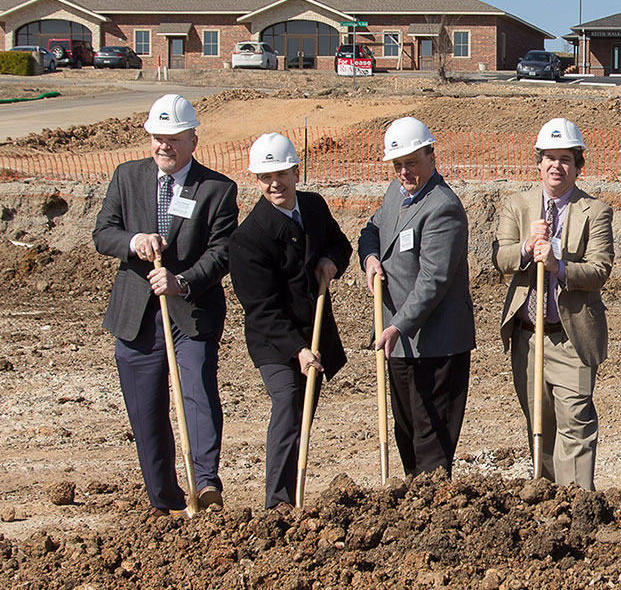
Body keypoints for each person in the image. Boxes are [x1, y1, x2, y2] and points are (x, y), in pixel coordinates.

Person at [92, 93, 238, 515]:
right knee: (146, 413)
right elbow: (104, 231)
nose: (164, 146)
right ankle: (165, 498)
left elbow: (221, 252)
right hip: (137, 315)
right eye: (157, 138)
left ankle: (205, 483)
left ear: (193, 139)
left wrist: (182, 282)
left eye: (173, 138)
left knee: (198, 394)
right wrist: (134, 241)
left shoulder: (217, 189)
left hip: (190, 313)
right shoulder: (127, 177)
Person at [229, 133, 352, 509]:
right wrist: (297, 349)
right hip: (274, 340)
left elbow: (340, 244)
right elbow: (262, 308)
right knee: (288, 401)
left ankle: (294, 494)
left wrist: (331, 260)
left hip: (314, 330)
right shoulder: (248, 238)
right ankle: (279, 502)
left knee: (304, 410)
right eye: (265, 177)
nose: (274, 184)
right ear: (256, 181)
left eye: (281, 173)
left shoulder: (313, 207)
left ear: (297, 171)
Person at [492, 117, 614, 489]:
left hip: (571, 336)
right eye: (550, 157)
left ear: (578, 165)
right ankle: (545, 501)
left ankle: (576, 503)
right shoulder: (517, 206)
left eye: (566, 158)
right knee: (539, 424)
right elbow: (501, 258)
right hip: (528, 338)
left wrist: (559, 266)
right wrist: (528, 248)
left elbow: (600, 270)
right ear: (538, 162)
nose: (557, 166)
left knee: (575, 422)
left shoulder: (596, 211)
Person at [359, 116, 475, 477]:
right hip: (401, 340)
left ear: (431, 156)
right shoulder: (396, 193)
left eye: (412, 162)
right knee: (406, 430)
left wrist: (397, 326)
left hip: (436, 345)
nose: (404, 171)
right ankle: (414, 502)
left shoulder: (443, 207)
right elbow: (372, 229)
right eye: (398, 164)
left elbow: (434, 279)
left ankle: (433, 510)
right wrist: (370, 257)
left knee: (431, 438)